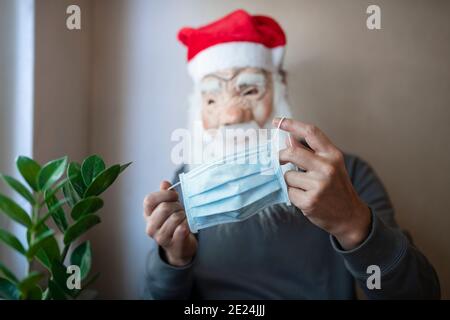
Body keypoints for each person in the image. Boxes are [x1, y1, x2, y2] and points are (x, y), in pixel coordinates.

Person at [142, 10, 440, 299]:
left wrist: (352, 223)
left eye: (250, 91)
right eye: (211, 97)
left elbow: (421, 294)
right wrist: (174, 259)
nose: (231, 115)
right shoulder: (188, 181)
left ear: (279, 90)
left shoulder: (346, 175)